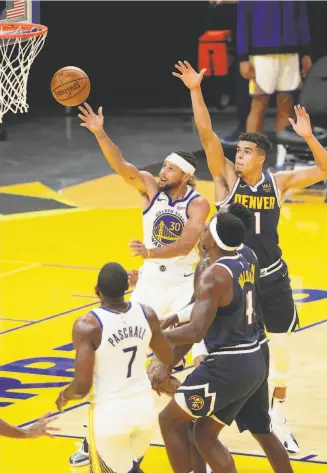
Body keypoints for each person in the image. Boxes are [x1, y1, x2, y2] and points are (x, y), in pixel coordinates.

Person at [172, 60, 327, 453]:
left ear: (260, 156)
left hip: (272, 277)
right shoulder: (225, 179)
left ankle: (279, 416)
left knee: (283, 352)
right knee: (214, 343)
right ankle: (202, 411)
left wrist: (308, 137)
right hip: (234, 277)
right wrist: (195, 89)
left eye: (244, 152)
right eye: (236, 151)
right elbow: (205, 133)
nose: (237, 156)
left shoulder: (280, 182)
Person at [73, 103, 210, 467]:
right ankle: (96, 438)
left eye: (169, 168)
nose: (161, 171)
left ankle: (199, 421)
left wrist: (149, 251)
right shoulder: (150, 189)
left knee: (183, 359)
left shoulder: (199, 203)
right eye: (163, 166)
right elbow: (121, 166)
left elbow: (187, 243)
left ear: (186, 175)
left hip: (182, 286)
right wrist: (100, 132)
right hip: (149, 284)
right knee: (122, 361)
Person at [153, 205, 294, 473]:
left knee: (170, 420)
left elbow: (196, 331)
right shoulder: (249, 256)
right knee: (205, 434)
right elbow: (211, 311)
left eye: (207, 228)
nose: (202, 230)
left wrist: (156, 337)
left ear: (213, 239)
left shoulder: (213, 274)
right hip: (256, 353)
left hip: (229, 363)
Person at [55, 262, 173, 473]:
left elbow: (82, 387)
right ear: (127, 286)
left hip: (110, 415)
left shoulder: (88, 325)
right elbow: (166, 355)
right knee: (127, 469)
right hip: (144, 409)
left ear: (96, 289)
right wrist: (163, 375)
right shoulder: (146, 313)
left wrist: (64, 395)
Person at [237, 0, 312, 133]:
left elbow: (301, 17)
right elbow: (243, 19)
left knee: (286, 103)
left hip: (290, 52)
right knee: (259, 104)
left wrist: (305, 52)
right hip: (261, 54)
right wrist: (243, 57)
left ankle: (283, 153)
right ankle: (251, 150)